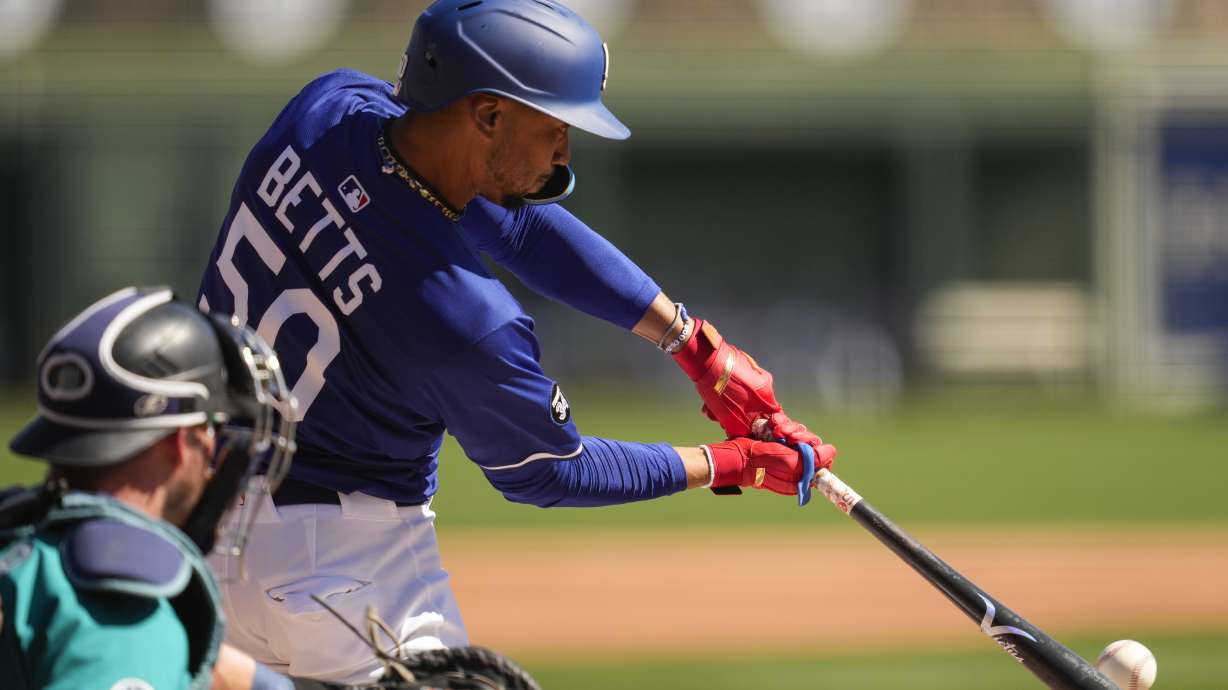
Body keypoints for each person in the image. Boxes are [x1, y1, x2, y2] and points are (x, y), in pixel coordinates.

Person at [195, 0, 838, 684]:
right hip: (349, 581)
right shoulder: (468, 319)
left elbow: (518, 227)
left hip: (208, 537)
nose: (565, 149)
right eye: (555, 126)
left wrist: (694, 345)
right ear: (489, 115)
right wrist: (729, 461)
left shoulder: (324, 111)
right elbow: (551, 471)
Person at [0, 287, 298, 690]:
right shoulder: (121, 609)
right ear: (180, 441)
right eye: (210, 429)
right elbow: (117, 645)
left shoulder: (27, 549)